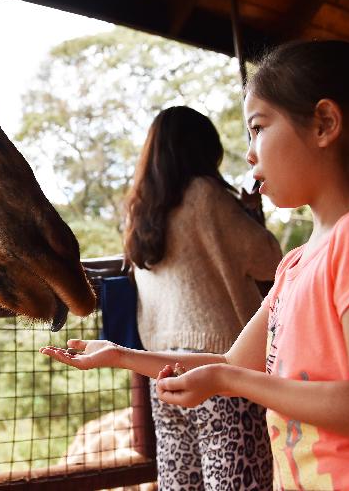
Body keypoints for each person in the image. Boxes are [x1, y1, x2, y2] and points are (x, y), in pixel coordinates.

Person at [42, 41, 349, 489]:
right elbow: (232, 362)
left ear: (325, 124)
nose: (249, 153)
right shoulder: (295, 262)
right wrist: (120, 355)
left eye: (258, 128)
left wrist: (231, 379)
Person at [116, 105, 281, 490]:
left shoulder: (139, 210)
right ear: (201, 150)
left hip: (162, 368)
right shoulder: (207, 196)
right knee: (237, 482)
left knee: (180, 481)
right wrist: (252, 215)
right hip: (219, 367)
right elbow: (268, 260)